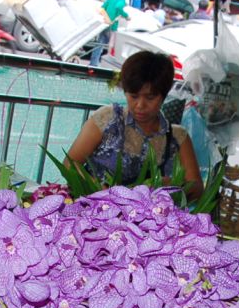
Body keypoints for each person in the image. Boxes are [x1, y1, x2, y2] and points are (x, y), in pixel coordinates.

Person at [65, 51, 204, 199]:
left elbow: (197, 187)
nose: (140, 105)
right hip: (93, 210)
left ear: (163, 95)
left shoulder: (177, 137)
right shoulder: (107, 119)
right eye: (133, 96)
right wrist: (100, 189)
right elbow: (69, 164)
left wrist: (174, 187)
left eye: (150, 97)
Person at [90, 0, 133, 67]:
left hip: (105, 24)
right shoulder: (122, 0)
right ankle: (112, 65)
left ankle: (93, 63)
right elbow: (118, 7)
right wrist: (126, 16)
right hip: (112, 26)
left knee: (100, 44)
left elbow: (102, 8)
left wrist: (106, 17)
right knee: (113, 46)